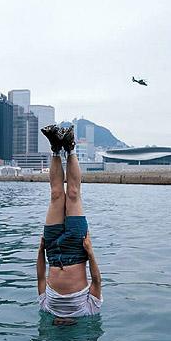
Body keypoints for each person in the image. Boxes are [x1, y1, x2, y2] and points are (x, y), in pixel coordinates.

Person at [36, 124, 102, 321]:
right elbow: (97, 281)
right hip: (78, 250)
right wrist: (90, 252)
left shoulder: (46, 308)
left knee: (56, 195)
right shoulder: (89, 311)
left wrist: (41, 250)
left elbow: (40, 277)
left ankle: (56, 148)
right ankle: (71, 147)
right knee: (73, 194)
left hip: (53, 252)